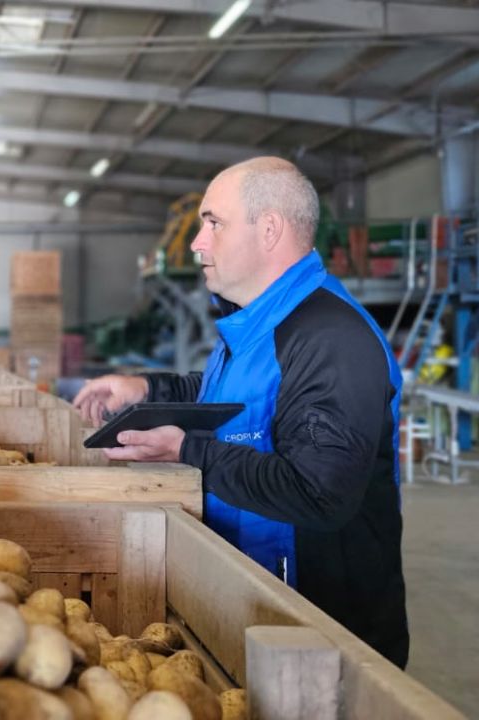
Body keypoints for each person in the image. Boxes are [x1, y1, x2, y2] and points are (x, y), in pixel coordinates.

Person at [73, 157, 408, 667]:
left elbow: (319, 494)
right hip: (256, 605)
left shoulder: (330, 340)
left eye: (213, 223)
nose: (196, 242)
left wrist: (187, 450)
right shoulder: (258, 325)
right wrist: (143, 387)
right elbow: (229, 397)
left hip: (322, 641)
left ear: (269, 229)